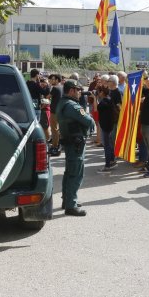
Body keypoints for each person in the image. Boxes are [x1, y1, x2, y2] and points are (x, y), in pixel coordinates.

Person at [56, 80, 95, 216]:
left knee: (69, 172)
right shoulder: (72, 106)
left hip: (70, 142)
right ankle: (70, 205)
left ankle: (67, 200)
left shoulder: (63, 103)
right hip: (75, 144)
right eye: (78, 90)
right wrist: (90, 118)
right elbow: (88, 121)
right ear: (71, 90)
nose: (80, 92)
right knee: (75, 173)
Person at [95, 87, 116, 173]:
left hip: (106, 126)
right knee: (110, 144)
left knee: (106, 146)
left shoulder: (103, 102)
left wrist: (94, 98)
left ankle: (107, 166)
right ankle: (112, 161)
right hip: (109, 125)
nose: (97, 93)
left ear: (102, 93)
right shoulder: (109, 99)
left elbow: (96, 109)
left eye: (98, 92)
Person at [48, 74, 63, 156]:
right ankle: (59, 143)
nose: (51, 80)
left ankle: (54, 145)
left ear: (57, 80)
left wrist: (49, 86)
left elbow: (48, 97)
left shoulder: (55, 88)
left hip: (54, 111)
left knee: (54, 129)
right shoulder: (62, 87)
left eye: (53, 79)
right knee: (59, 129)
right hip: (61, 111)